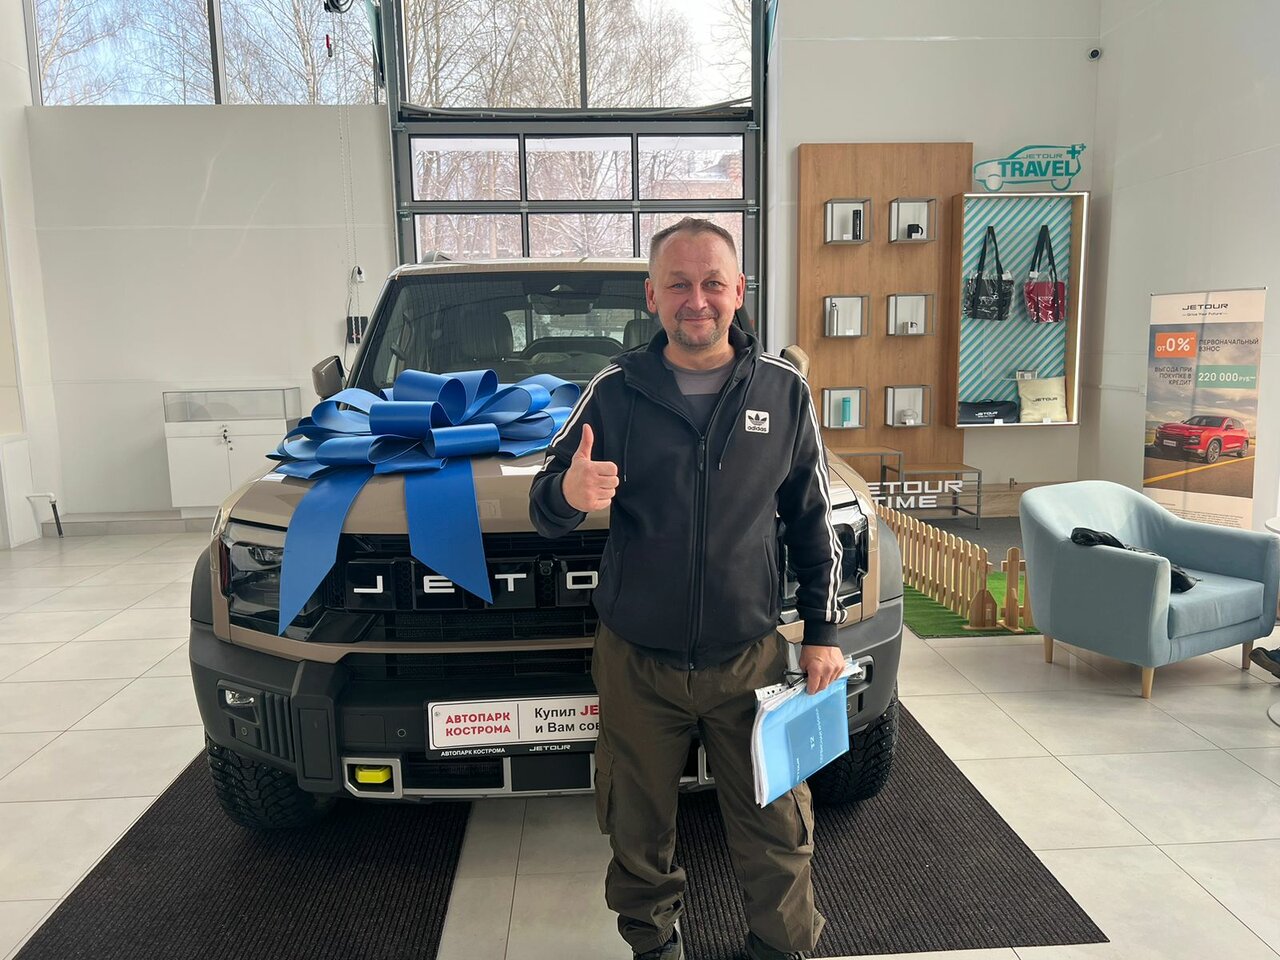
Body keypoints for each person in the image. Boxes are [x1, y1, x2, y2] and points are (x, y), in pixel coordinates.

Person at [529, 218, 848, 960]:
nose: (695, 299)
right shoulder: (614, 392)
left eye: (711, 283)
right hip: (637, 661)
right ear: (652, 296)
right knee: (636, 828)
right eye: (678, 284)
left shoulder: (783, 392)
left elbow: (814, 520)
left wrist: (823, 633)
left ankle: (780, 948)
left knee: (777, 824)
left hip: (751, 659)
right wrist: (569, 492)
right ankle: (654, 945)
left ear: (739, 290)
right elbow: (545, 502)